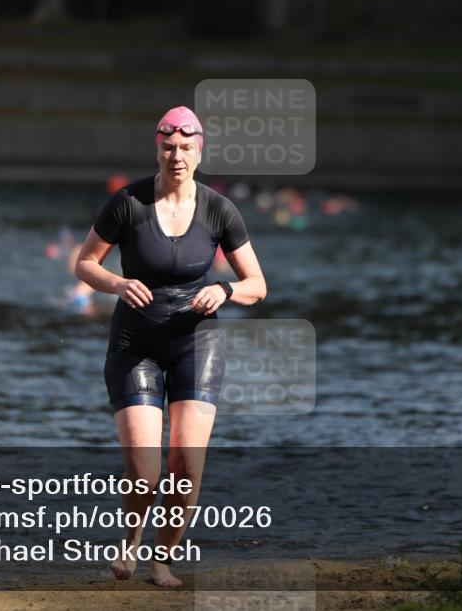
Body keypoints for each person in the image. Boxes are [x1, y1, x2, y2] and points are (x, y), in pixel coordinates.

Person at [74, 106, 266, 587]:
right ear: (157, 150)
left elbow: (257, 285)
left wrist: (224, 290)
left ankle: (162, 559)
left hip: (196, 346)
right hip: (134, 344)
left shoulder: (219, 209)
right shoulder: (127, 203)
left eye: (185, 148)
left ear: (199, 152)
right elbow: (84, 264)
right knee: (144, 469)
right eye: (168, 148)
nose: (176, 156)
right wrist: (116, 284)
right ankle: (132, 540)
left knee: (185, 462)